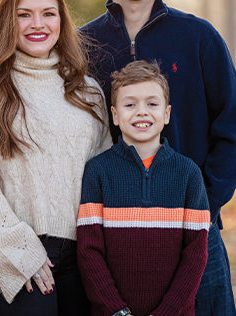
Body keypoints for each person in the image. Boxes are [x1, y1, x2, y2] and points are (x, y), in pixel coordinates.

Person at [79, 0, 236, 315]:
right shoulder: (82, 46)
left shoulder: (199, 37)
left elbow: (234, 126)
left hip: (194, 226)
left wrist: (203, 203)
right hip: (111, 234)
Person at [0, 0, 111, 315]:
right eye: (24, 14)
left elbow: (105, 174)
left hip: (83, 260)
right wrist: (21, 250)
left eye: (48, 13)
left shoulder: (87, 91)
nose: (38, 24)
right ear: (5, 21)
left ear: (62, 21)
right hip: (14, 256)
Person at [77, 60, 210, 316]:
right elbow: (88, 252)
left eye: (152, 103)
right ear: (115, 115)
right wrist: (117, 311)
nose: (141, 112)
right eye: (130, 105)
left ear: (167, 113)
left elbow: (196, 255)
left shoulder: (188, 174)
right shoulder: (98, 171)